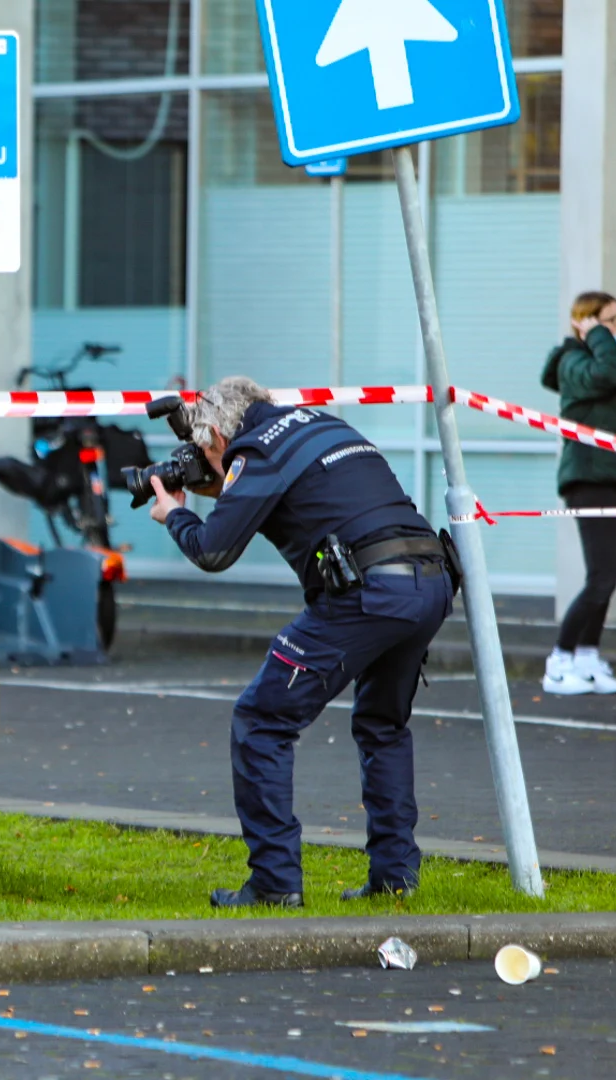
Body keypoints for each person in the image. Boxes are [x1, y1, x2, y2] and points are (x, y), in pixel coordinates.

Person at [147, 376, 452, 908]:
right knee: (382, 725)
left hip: (370, 594)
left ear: (217, 435)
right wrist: (218, 486)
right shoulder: (323, 425)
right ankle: (395, 877)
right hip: (430, 580)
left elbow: (214, 551)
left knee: (261, 722)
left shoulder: (254, 453)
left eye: (204, 452)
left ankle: (273, 882)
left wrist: (175, 512)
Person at [540, 291, 616, 695]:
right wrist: (597, 338)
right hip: (591, 481)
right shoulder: (574, 362)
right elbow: (606, 377)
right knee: (600, 578)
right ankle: (558, 662)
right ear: (586, 324)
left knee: (609, 580)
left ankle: (588, 659)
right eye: (610, 320)